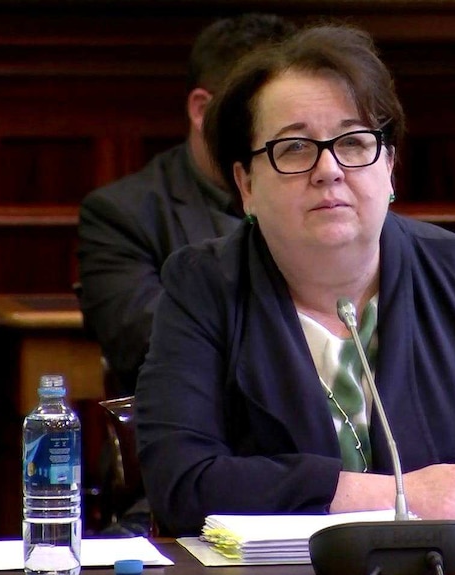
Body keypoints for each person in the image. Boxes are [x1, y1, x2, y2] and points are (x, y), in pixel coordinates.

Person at [135, 23, 455, 536]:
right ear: (246, 185)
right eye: (294, 149)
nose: (329, 169)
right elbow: (182, 483)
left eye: (354, 142)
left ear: (390, 167)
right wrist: (400, 496)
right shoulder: (203, 287)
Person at [77, 14, 296, 398]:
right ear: (201, 110)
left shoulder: (322, 195)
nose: (279, 137)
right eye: (262, 115)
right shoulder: (120, 215)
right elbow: (158, 346)